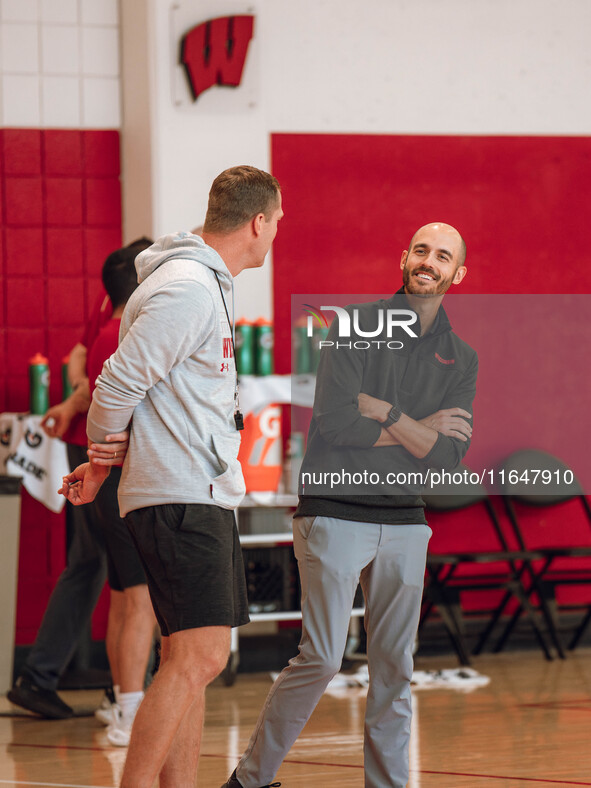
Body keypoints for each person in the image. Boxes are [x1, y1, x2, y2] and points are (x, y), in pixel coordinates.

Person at [221, 222, 478, 788]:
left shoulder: (461, 358)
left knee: (395, 669)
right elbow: (336, 424)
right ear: (403, 258)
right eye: (420, 250)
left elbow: (447, 457)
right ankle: (248, 782)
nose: (428, 261)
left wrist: (385, 414)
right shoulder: (354, 327)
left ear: (457, 275)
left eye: (442, 256)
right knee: (322, 658)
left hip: (407, 523)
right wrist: (416, 427)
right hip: (334, 512)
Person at [61, 165, 283, 788]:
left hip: (190, 492)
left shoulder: (201, 282)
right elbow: (115, 384)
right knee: (203, 655)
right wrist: (103, 461)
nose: (276, 235)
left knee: (188, 657)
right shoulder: (188, 287)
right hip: (180, 496)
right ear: (258, 222)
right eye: (278, 224)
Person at [6, 247, 143, 719]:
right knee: (131, 587)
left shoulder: (110, 312)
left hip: (90, 446)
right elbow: (98, 374)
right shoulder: (123, 321)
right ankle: (126, 698)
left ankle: (56, 679)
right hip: (104, 457)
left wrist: (68, 404)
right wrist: (73, 405)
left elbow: (78, 360)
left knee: (96, 568)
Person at [87, 244, 157, 746]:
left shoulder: (100, 335)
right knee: (141, 602)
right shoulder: (127, 334)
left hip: (109, 482)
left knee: (121, 599)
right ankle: (130, 713)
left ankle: (119, 699)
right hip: (122, 481)